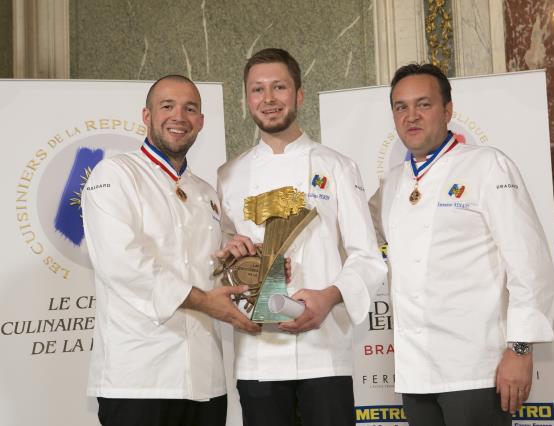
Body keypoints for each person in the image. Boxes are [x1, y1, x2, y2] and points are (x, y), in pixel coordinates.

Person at [369, 63, 554, 425]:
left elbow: (529, 262)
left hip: (477, 369)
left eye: (423, 104)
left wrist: (520, 350)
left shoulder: (488, 166)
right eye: (401, 107)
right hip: (415, 372)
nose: (411, 116)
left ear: (448, 110)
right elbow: (358, 242)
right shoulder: (392, 182)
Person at [216, 48, 387, 426]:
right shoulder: (229, 174)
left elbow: (367, 256)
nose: (269, 98)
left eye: (279, 87)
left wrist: (328, 297)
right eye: (258, 90)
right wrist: (232, 255)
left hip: (323, 349)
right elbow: (226, 258)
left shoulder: (337, 167)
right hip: (257, 351)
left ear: (299, 95)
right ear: (247, 100)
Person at [82, 74, 260, 426]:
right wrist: (205, 301)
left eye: (189, 108)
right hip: (138, 380)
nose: (179, 116)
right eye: (167, 106)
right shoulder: (115, 174)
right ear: (146, 116)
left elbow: (208, 266)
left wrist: (235, 258)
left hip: (204, 378)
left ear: (201, 122)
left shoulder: (207, 192)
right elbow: (122, 263)